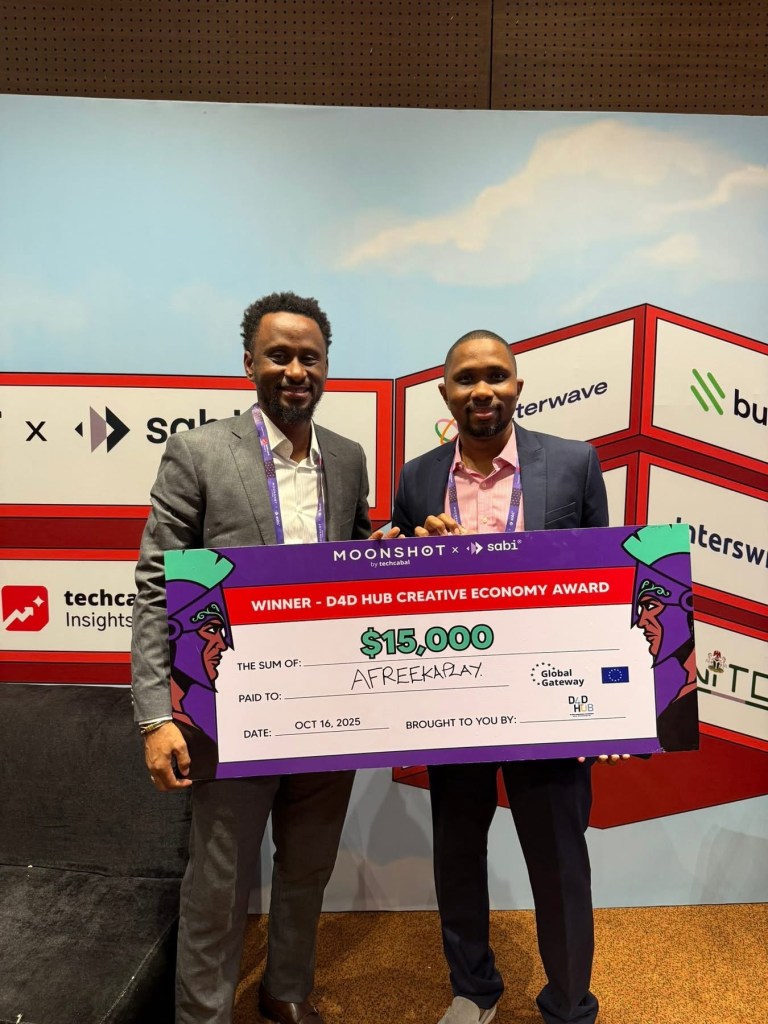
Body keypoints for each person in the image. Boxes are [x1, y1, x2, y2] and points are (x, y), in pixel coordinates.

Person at [131, 291, 373, 1024]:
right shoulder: (199, 452)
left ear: (326, 366)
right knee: (218, 881)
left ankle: (285, 990)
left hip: (327, 705)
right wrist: (155, 717)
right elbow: (157, 586)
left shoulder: (348, 458)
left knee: (308, 864)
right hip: (230, 705)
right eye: (279, 355)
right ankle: (204, 1015)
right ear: (249, 363)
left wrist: (388, 557)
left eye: (309, 357)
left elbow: (352, 566)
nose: (296, 370)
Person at [392, 330, 618, 1024]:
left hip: (548, 706)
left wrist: (604, 712)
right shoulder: (417, 479)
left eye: (496, 375)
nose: (482, 389)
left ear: (518, 385)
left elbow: (606, 589)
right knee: (458, 855)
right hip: (453, 702)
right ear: (445, 394)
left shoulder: (575, 463)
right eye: (466, 378)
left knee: (560, 863)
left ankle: (569, 1005)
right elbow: (397, 593)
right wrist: (406, 552)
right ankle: (474, 990)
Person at [622, 524, 699, 750]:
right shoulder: (682, 690)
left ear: (688, 603)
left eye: (650, 606)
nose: (641, 621)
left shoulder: (696, 697)